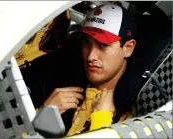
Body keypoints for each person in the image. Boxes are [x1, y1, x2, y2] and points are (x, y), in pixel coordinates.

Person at [41, 4, 137, 136]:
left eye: (103, 45)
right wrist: (41, 118)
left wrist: (101, 121)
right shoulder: (63, 90)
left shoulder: (134, 116)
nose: (91, 56)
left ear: (128, 48)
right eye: (86, 43)